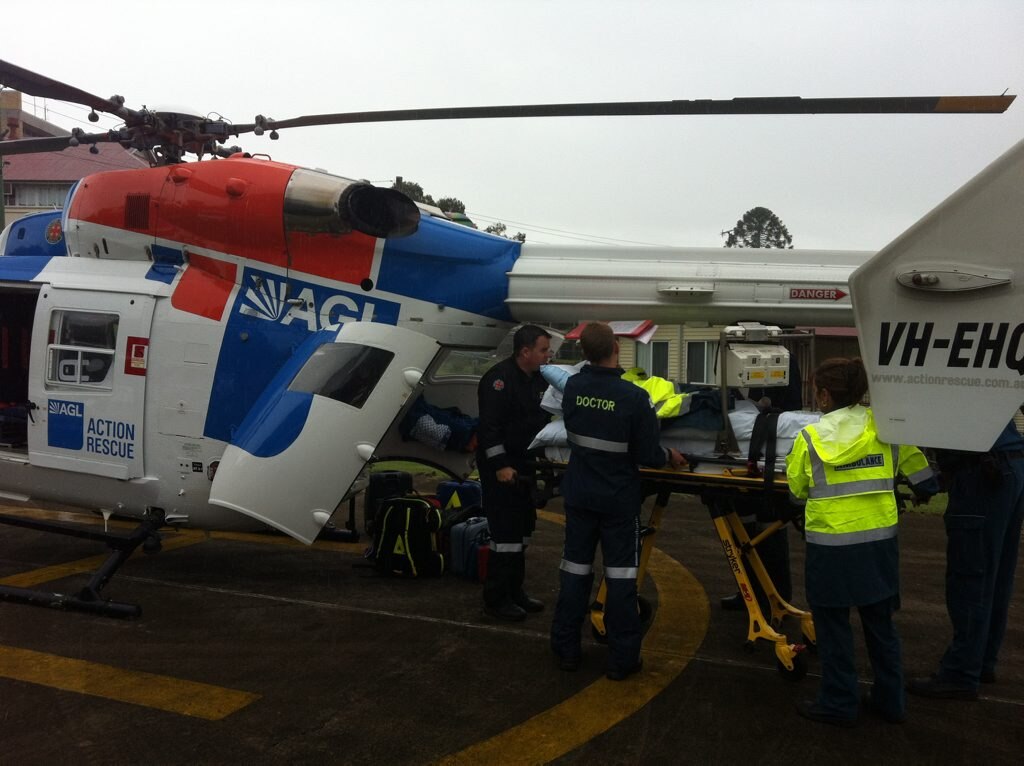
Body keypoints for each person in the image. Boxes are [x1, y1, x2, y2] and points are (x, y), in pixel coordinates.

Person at [786, 357, 936, 726]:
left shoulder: (810, 437)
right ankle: (890, 700)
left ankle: (839, 702)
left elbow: (795, 489)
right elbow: (924, 477)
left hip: (831, 548)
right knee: (880, 626)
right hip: (877, 545)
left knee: (834, 628)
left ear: (823, 395)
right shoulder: (886, 428)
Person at [550, 322, 686, 679]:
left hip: (580, 495)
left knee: (574, 574)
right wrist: (669, 453)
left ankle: (566, 650)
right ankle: (622, 660)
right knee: (622, 579)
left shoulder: (575, 387)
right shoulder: (633, 398)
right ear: (617, 349)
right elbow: (647, 453)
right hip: (617, 501)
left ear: (583, 353)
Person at [907, 412, 1024, 700]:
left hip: (982, 473)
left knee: (970, 579)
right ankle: (982, 660)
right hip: (1010, 464)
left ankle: (961, 672)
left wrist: (927, 482)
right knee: (996, 575)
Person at [476, 324, 553, 621]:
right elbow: (489, 429)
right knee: (505, 535)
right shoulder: (499, 380)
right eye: (543, 350)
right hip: (502, 470)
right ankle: (496, 599)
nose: (548, 356)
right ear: (525, 352)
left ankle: (515, 591)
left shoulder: (537, 380)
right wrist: (500, 466)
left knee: (521, 532)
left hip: (525, 466)